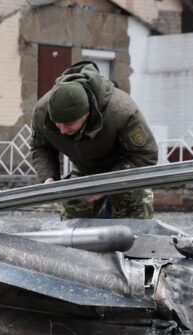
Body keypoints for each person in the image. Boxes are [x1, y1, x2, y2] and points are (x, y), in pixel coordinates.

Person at [30, 61, 158, 219]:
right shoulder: (42, 112)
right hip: (85, 170)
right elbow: (41, 147)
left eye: (69, 124)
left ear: (87, 114)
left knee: (136, 207)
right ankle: (77, 243)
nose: (62, 130)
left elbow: (146, 154)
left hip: (124, 171)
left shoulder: (122, 111)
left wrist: (106, 184)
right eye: (57, 124)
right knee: (72, 219)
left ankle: (136, 239)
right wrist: (49, 178)